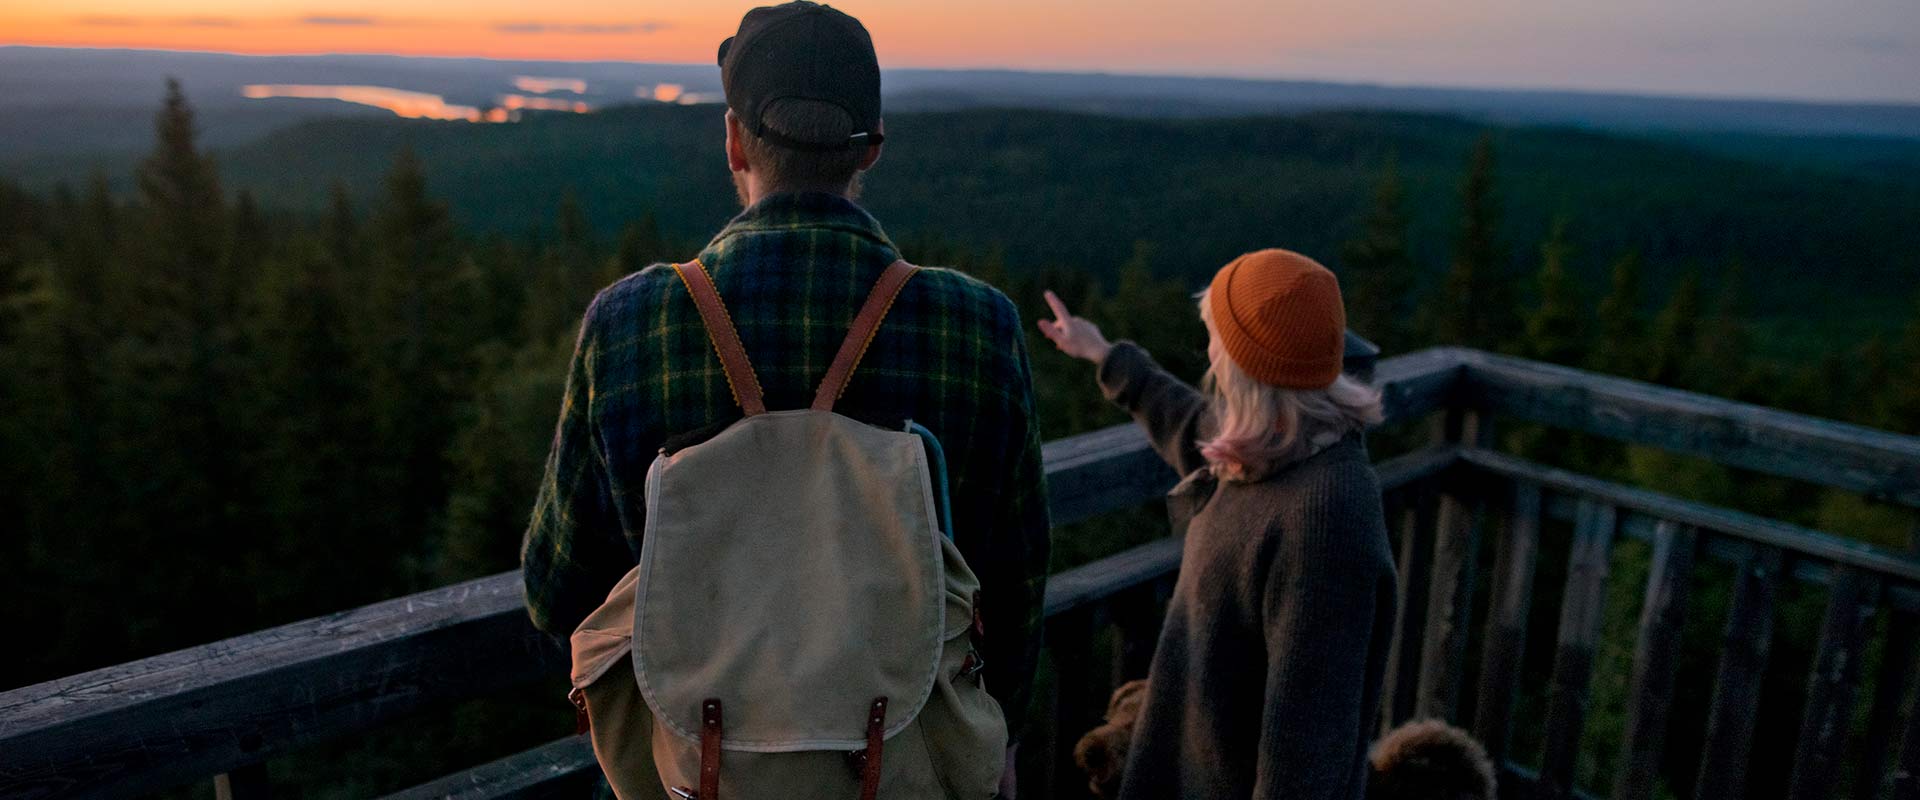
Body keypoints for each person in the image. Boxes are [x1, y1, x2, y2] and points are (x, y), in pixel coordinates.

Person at [521, 2, 1050, 793]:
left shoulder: (630, 322)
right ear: (872, 148)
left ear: (734, 139)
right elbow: (1014, 590)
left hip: (692, 776)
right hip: (906, 771)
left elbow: (557, 587)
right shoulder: (979, 326)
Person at [1038, 248, 1397, 800]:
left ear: (1245, 364)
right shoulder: (1280, 445)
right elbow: (1189, 422)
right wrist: (1102, 354)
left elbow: (1305, 759)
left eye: (1216, 335)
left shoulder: (1326, 521)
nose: (1209, 349)